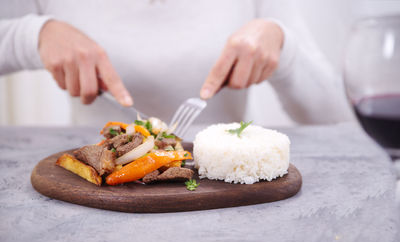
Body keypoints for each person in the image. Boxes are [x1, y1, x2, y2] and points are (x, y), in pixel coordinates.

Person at [0, 0, 352, 126]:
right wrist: (33, 35)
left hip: (231, 202)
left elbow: (335, 116)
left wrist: (283, 46)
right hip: (92, 199)